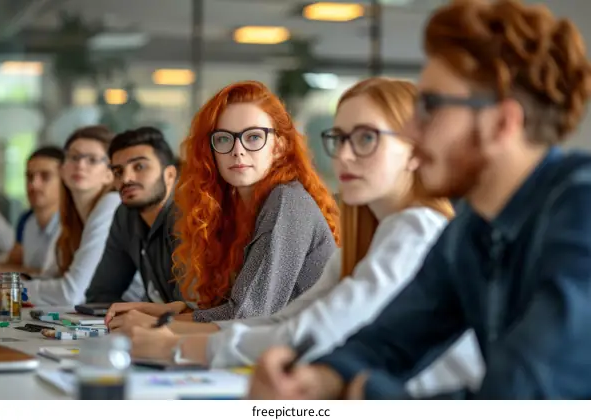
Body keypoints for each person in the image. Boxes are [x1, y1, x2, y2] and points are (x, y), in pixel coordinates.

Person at [248, 0, 591, 400]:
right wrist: (319, 380)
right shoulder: (472, 228)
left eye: (430, 106)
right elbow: (390, 340)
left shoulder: (580, 212)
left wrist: (368, 393)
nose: (410, 131)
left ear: (502, 124)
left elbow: (520, 396)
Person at [127, 78, 485, 396]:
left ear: (415, 151)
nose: (344, 155)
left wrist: (172, 343)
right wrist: (170, 336)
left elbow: (309, 333)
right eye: (339, 138)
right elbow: (286, 321)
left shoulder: (416, 229)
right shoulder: (374, 235)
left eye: (365, 138)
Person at [106, 80, 341, 332]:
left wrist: (159, 324)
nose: (237, 150)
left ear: (279, 147)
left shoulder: (287, 201)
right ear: (211, 150)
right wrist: (175, 310)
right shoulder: (231, 208)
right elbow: (234, 311)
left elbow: (247, 316)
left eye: (253, 137)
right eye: (223, 139)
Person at [12, 126, 121, 306]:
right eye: (74, 157)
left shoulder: (112, 204)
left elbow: (71, 293)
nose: (80, 165)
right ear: (62, 169)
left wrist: (9, 289)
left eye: (92, 160)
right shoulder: (71, 217)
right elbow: (50, 277)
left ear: (110, 174)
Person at [85, 127, 178, 304]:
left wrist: (136, 314)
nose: (126, 179)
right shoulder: (125, 215)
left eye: (139, 166)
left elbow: (190, 309)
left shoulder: (192, 216)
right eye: (118, 171)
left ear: (169, 175)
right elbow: (100, 295)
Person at [0, 147, 63, 276]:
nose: (33, 184)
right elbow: (14, 263)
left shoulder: (73, 224)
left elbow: (52, 277)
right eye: (29, 177)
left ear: (65, 182)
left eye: (45, 176)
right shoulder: (27, 220)